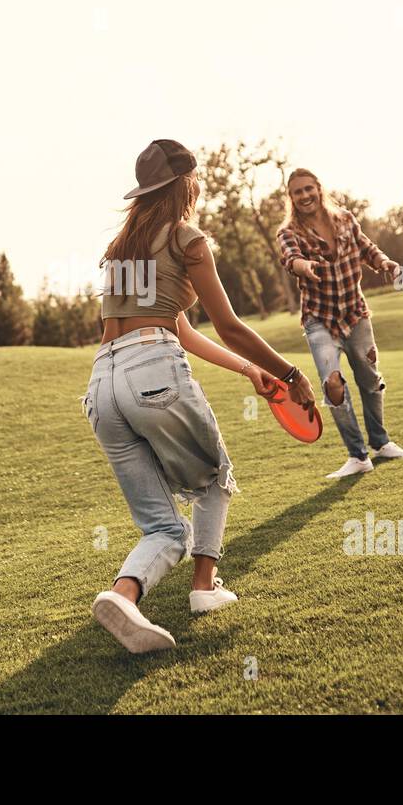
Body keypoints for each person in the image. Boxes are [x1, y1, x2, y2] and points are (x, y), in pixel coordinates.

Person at [83, 140, 317, 654]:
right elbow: (229, 325)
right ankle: (203, 588)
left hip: (102, 386)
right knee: (214, 477)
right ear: (186, 184)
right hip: (153, 372)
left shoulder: (122, 250)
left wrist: (251, 371)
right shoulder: (189, 240)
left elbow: (179, 328)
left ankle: (122, 597)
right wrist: (290, 372)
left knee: (163, 527)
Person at [276, 168, 403, 479]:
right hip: (319, 319)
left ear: (319, 189)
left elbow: (366, 248)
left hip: (355, 314)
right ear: (291, 197)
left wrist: (384, 262)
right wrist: (305, 266)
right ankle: (358, 456)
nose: (304, 196)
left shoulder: (345, 219)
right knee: (333, 384)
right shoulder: (288, 232)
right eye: (297, 192)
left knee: (370, 380)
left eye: (308, 189)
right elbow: (290, 259)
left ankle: (380, 444)